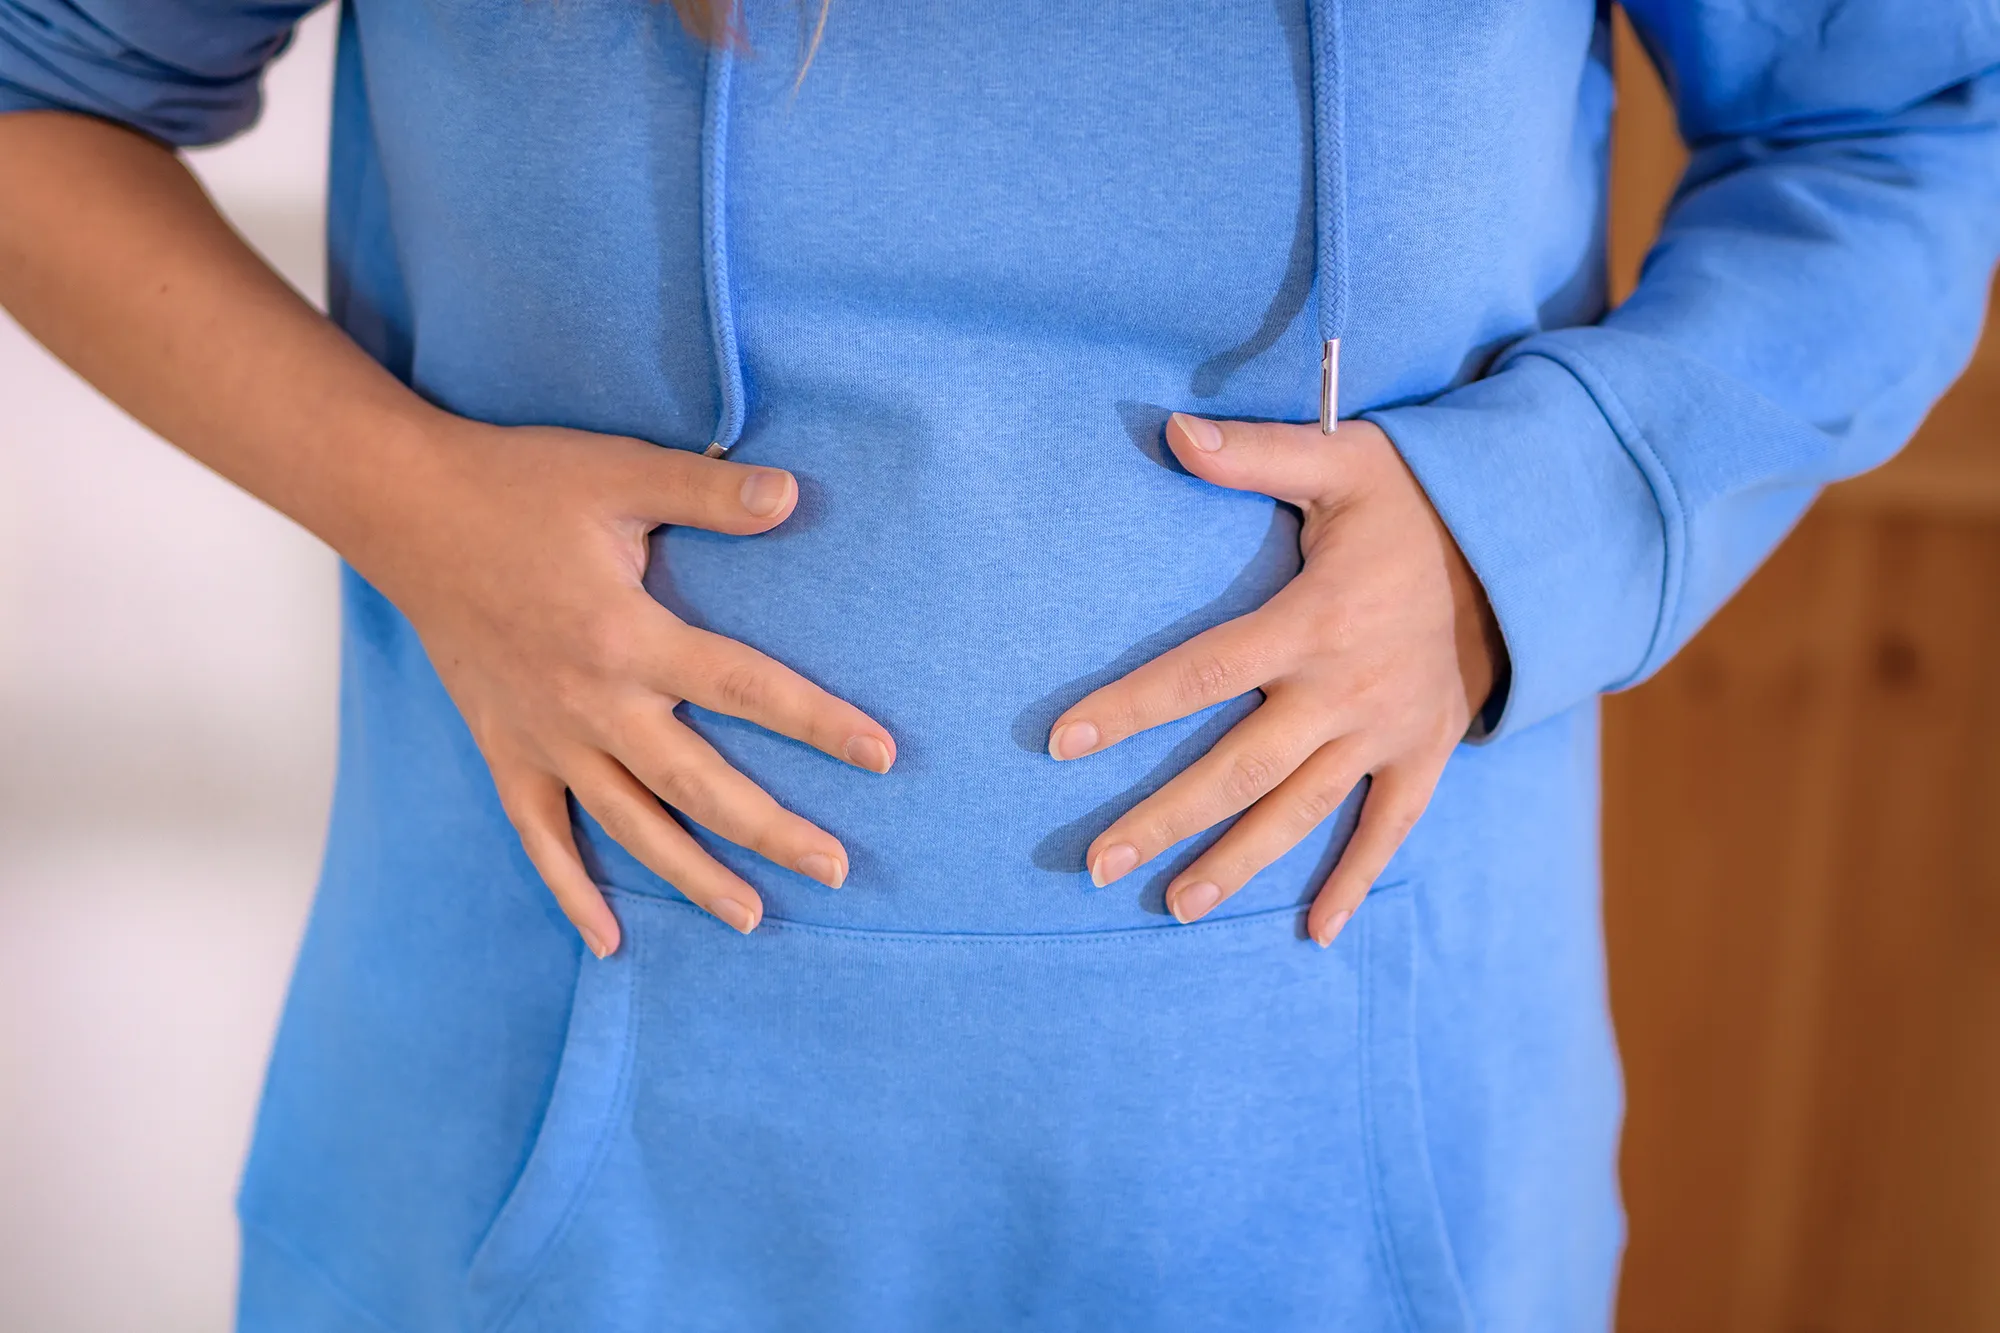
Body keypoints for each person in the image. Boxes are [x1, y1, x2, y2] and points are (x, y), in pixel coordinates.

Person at [2, 2, 1994, 1329]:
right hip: (558, 1154)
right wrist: (410, 501)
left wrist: (1527, 527)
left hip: (1340, 1181)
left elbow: (1902, 126)